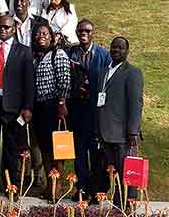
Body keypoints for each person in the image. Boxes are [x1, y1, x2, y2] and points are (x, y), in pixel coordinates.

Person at [0, 15, 34, 191]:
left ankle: (10, 182)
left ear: (13, 29)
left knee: (11, 148)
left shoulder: (24, 51)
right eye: (0, 27)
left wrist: (27, 107)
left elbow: (28, 81)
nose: (3, 30)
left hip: (13, 107)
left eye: (7, 27)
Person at [65, 19, 111, 200]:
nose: (84, 33)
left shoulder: (103, 55)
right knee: (79, 150)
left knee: (96, 151)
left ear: (93, 33)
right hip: (76, 110)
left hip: (96, 111)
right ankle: (81, 187)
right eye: (80, 30)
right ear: (76, 32)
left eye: (87, 30)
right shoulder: (70, 53)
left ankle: (96, 188)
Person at [97, 37, 144, 198]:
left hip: (123, 134)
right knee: (113, 171)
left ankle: (128, 204)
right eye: (114, 47)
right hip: (104, 132)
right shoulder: (103, 72)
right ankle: (116, 203)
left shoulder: (132, 72)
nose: (116, 50)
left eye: (121, 48)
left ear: (127, 51)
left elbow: (136, 103)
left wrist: (133, 131)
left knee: (128, 171)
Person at [30, 22, 70, 194]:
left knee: (57, 147)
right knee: (44, 146)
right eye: (38, 34)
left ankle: (58, 185)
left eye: (45, 33)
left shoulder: (58, 54)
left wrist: (61, 103)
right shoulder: (36, 57)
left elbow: (64, 79)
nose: (42, 36)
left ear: (52, 36)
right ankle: (49, 183)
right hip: (39, 107)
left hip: (54, 105)